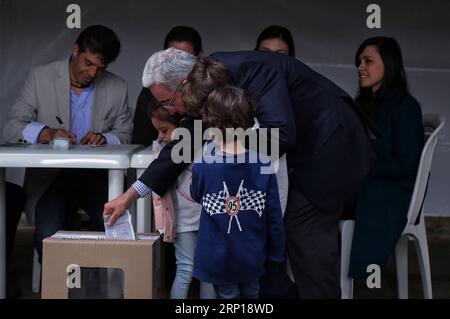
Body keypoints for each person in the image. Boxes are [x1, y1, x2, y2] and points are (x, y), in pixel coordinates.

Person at [104, 48, 376, 298]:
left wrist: (220, 144)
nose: (171, 111)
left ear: (185, 84)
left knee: (307, 242)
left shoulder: (254, 71)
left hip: (330, 145)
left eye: (169, 101)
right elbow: (181, 147)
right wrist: (131, 194)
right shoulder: (205, 85)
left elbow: (280, 135)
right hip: (295, 160)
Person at [3, 25, 132, 262]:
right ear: (74, 50)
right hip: (51, 178)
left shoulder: (117, 86)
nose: (93, 73)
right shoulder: (40, 76)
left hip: (99, 177)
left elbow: (125, 135)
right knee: (47, 236)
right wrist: (46, 133)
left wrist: (106, 138)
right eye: (88, 63)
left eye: (101, 68)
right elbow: (11, 128)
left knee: (117, 232)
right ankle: (58, 288)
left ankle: (106, 287)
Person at [190, 86, 285, 299]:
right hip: (253, 255)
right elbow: (274, 215)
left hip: (218, 258)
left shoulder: (204, 165)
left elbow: (197, 195)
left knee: (228, 297)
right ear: (249, 125)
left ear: (210, 125)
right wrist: (277, 254)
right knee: (252, 294)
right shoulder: (264, 164)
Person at [347, 37, 424, 280]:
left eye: (368, 61)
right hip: (369, 183)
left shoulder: (405, 107)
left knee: (327, 200)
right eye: (359, 61)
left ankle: (329, 273)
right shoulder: (364, 104)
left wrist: (361, 166)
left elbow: (408, 164)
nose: (360, 67)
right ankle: (314, 272)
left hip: (393, 191)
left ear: (388, 64)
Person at [150, 102, 215, 299]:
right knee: (190, 269)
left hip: (206, 216)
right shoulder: (163, 153)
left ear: (183, 126)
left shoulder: (204, 147)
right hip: (185, 219)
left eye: (164, 130)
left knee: (202, 270)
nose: (161, 136)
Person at [132, 26, 203, 146]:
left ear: (199, 57)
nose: (177, 64)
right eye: (172, 57)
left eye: (184, 58)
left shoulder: (214, 91)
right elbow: (142, 141)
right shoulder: (152, 90)